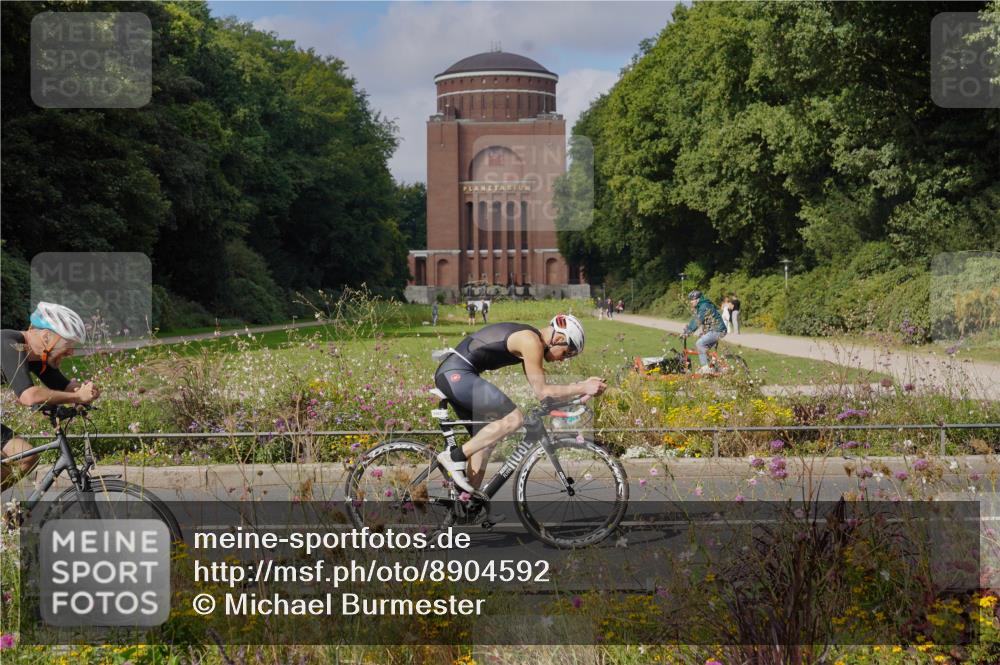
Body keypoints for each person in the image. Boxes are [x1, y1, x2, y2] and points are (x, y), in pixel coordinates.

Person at [434, 314, 606, 492]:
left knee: (485, 441)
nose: (563, 359)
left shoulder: (532, 342)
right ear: (560, 339)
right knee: (514, 419)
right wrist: (583, 387)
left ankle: (467, 505)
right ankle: (455, 457)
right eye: (567, 353)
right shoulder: (530, 342)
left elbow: (545, 395)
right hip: (456, 374)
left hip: (457, 374)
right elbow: (544, 391)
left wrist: (580, 388)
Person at [2, 302, 99, 491]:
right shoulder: (9, 343)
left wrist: (87, 389)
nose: (71, 352)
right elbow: (28, 396)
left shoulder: (37, 358)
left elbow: (64, 386)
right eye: (68, 345)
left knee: (27, 457)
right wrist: (78, 397)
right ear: (46, 337)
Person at [680, 290, 727, 374]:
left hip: (717, 330)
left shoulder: (704, 306)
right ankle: (718, 368)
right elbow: (695, 319)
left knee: (700, 344)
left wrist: (689, 332)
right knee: (704, 349)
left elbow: (698, 321)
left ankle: (705, 368)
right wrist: (687, 330)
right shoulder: (701, 306)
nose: (691, 302)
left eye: (692, 300)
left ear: (697, 299)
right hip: (715, 330)